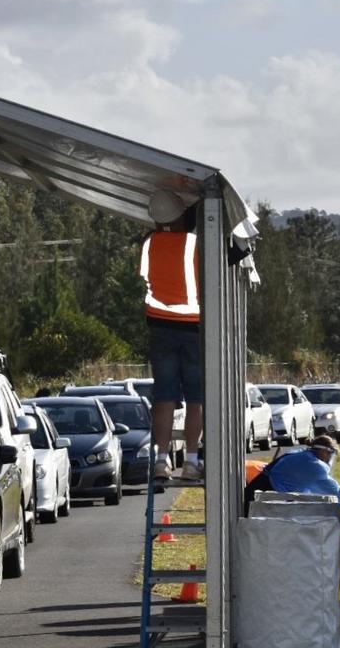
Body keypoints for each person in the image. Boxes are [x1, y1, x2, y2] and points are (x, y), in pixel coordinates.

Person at [140, 190, 203, 481]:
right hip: (192, 325)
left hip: (159, 326)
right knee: (195, 398)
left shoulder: (149, 243)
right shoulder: (194, 243)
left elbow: (145, 277)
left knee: (164, 397)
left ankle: (161, 460)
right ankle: (191, 461)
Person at [255, 435, 340, 516]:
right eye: (331, 455)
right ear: (325, 452)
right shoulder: (314, 465)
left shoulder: (301, 455)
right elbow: (338, 494)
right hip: (264, 500)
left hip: (263, 495)